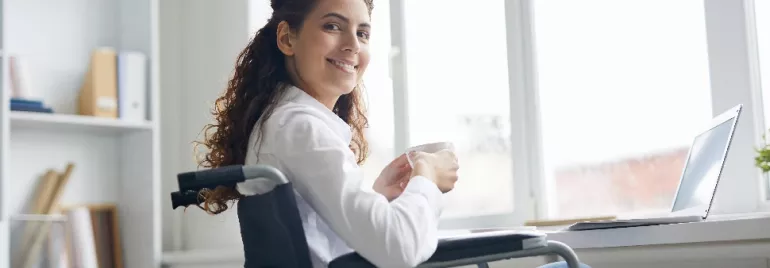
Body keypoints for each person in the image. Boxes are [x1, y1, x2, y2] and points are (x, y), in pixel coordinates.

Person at [194, 0, 588, 267]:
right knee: (559, 258)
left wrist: (378, 197)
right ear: (287, 38)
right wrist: (427, 180)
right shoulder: (301, 126)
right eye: (333, 26)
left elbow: (314, 239)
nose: (352, 45)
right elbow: (398, 248)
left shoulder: (281, 121)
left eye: (363, 34)